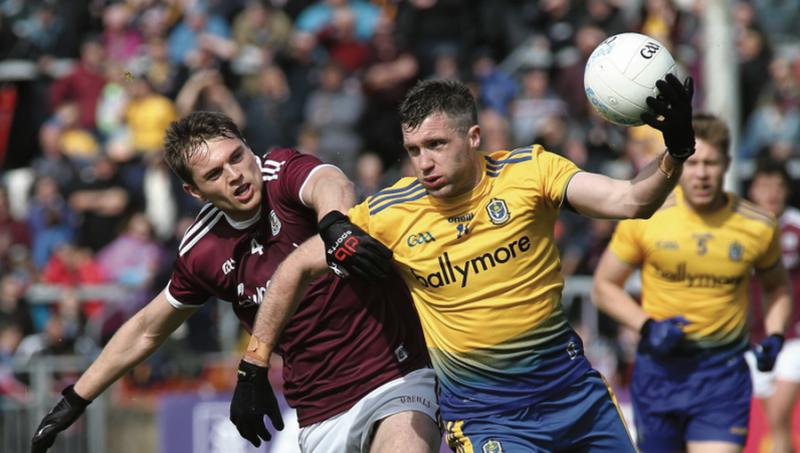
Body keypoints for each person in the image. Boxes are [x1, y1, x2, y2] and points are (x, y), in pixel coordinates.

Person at [242, 75, 697, 451]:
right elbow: (295, 267)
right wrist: (255, 363)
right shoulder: (389, 214)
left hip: (577, 399)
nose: (424, 162)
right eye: (414, 149)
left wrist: (675, 152)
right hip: (488, 421)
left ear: (473, 137)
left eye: (437, 144)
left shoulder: (531, 172)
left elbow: (630, 200)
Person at [30, 112, 441, 453]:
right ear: (193, 190)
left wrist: (334, 224)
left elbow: (331, 182)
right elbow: (146, 329)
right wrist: (75, 399)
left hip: (398, 375)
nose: (237, 175)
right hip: (319, 410)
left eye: (238, 157)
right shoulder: (201, 251)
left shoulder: (281, 172)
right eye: (215, 173)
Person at [591, 114, 793, 453]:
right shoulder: (646, 217)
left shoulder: (758, 225)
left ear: (727, 164)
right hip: (659, 372)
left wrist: (774, 334)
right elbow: (604, 286)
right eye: (694, 162)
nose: (701, 174)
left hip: (722, 376)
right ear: (681, 162)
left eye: (711, 163)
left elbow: (777, 288)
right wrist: (647, 327)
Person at [746, 159, 800, 453]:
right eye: (765, 186)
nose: (772, 194)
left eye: (778, 187)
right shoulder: (740, 230)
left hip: (794, 337)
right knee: (775, 424)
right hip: (756, 339)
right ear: (752, 190)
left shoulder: (796, 227)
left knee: (779, 416)